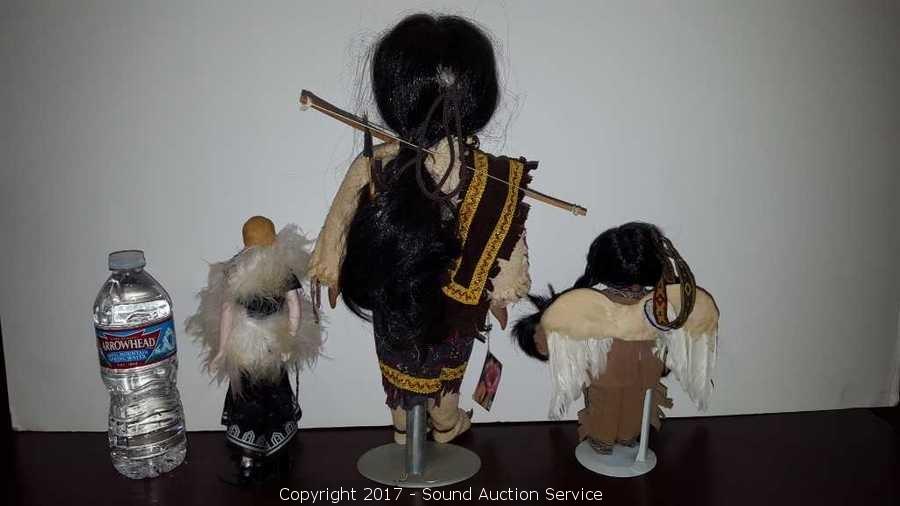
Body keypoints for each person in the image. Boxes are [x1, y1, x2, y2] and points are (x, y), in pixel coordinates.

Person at [310, 14, 532, 444]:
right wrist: (333, 265)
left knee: (448, 370)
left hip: (458, 301)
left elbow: (507, 234)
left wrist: (502, 289)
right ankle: (406, 426)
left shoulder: (493, 177)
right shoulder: (376, 165)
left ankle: (442, 423)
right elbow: (342, 217)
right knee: (401, 364)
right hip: (397, 289)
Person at [512, 222, 718, 454]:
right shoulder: (597, 302)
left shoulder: (656, 303)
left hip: (643, 369)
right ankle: (604, 439)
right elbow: (565, 320)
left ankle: (626, 437)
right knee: (606, 404)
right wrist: (545, 336)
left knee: (634, 405)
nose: (634, 288)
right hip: (608, 370)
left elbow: (674, 328)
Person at [187, 216, 322, 481]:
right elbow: (230, 310)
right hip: (251, 343)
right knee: (252, 396)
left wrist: (288, 338)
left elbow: (292, 306)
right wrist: (222, 350)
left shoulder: (269, 270)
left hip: (265, 343)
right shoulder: (245, 270)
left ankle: (269, 455)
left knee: (268, 395)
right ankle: (252, 456)